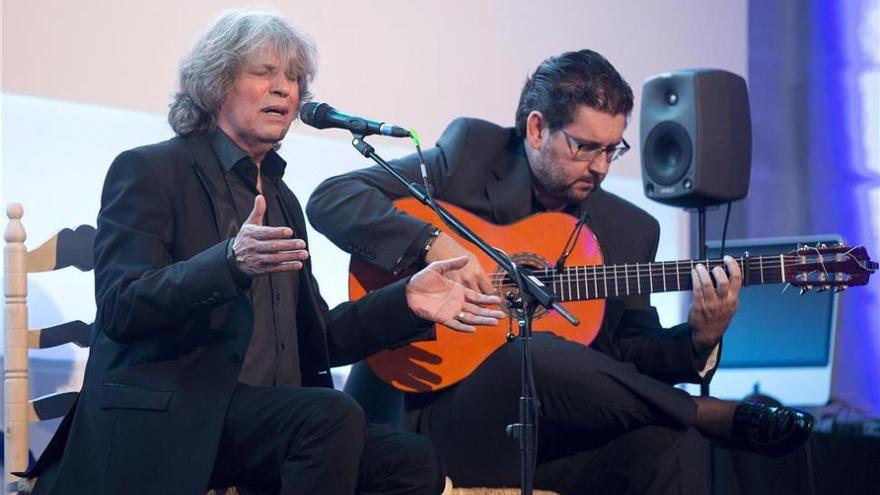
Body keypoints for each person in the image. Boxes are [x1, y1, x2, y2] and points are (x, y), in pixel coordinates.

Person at [24, 9, 504, 495]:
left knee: (409, 459)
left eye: (294, 78)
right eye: (264, 72)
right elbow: (121, 306)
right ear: (215, 83)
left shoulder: (281, 198)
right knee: (328, 417)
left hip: (266, 423)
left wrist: (404, 301)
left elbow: (319, 337)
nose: (285, 89)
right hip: (173, 417)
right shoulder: (149, 171)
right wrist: (228, 264)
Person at [306, 49, 814, 493]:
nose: (600, 167)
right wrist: (432, 243)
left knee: (668, 443)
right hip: (444, 413)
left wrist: (701, 339)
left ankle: (691, 421)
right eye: (584, 147)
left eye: (612, 149)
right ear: (535, 129)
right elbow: (334, 198)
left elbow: (631, 353)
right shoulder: (471, 154)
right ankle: (706, 412)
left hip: (554, 437)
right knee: (536, 349)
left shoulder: (629, 228)